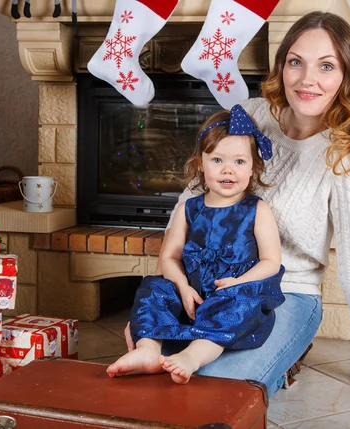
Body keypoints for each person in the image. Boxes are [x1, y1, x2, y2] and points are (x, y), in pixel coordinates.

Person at [119, 11, 350, 401]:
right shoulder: (253, 117)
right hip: (206, 284)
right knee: (150, 355)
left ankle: (283, 352)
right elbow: (191, 202)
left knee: (216, 389)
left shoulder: (349, 153)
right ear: (282, 67)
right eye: (296, 62)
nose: (307, 79)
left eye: (326, 66)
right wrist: (175, 289)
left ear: (347, 77)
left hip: (286, 293)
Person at [107, 107, 286, 384]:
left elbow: (271, 262)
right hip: (190, 291)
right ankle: (148, 350)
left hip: (231, 290)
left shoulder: (257, 210)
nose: (228, 169)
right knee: (153, 287)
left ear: (253, 167)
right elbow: (170, 256)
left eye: (239, 161)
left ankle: (193, 355)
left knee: (236, 304)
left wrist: (238, 282)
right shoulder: (188, 209)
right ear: (201, 163)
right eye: (217, 159)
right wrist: (182, 286)